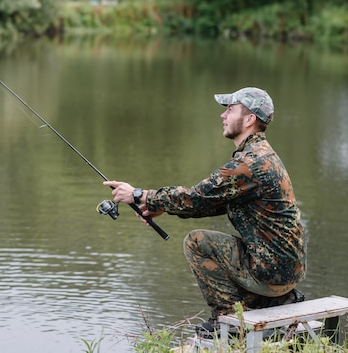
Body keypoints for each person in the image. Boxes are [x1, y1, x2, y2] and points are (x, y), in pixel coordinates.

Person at [103, 86, 306, 338]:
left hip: (270, 272)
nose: (223, 116)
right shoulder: (265, 156)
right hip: (287, 271)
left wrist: (138, 195)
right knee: (223, 246)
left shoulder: (248, 163)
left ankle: (229, 323)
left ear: (250, 119)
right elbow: (214, 202)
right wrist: (157, 206)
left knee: (197, 242)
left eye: (230, 110)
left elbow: (196, 198)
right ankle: (273, 302)